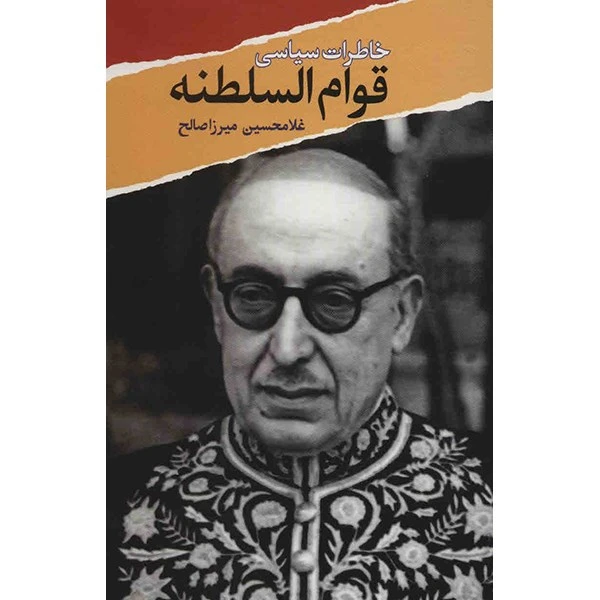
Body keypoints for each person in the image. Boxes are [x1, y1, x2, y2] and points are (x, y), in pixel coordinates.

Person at [108, 149, 492, 600]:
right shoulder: (117, 506)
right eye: (254, 296)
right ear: (216, 307)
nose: (288, 349)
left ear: (402, 315)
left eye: (334, 301)